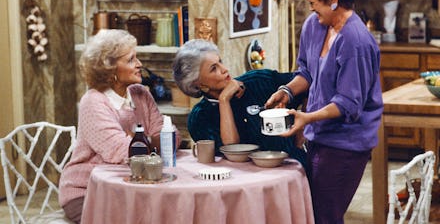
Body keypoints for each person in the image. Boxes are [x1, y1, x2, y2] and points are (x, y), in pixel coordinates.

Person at [265, 0, 383, 223]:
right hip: (317, 137)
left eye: (314, 3)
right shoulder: (314, 26)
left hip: (346, 145)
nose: (310, 9)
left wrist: (306, 117)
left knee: (325, 216)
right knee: (311, 212)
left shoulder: (357, 42)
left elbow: (348, 105)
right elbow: (306, 72)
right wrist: (287, 92)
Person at [59, 29, 181, 223]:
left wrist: (139, 138)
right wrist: (146, 142)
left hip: (134, 185)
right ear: (110, 69)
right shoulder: (93, 102)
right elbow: (123, 152)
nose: (140, 64)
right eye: (131, 59)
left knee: (171, 212)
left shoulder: (140, 93)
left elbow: (170, 137)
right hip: (88, 191)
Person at [172, 39, 307, 166]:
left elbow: (309, 82)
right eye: (214, 68)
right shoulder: (199, 118)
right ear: (199, 84)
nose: (224, 69)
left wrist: (304, 129)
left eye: (220, 62)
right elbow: (233, 151)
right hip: (242, 183)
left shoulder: (259, 81)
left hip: (292, 168)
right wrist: (224, 100)